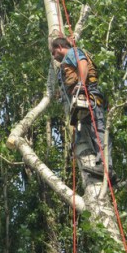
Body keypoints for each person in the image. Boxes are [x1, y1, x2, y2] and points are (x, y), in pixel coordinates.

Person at [50, 37, 116, 183]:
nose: (54, 57)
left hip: (89, 97)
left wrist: (80, 84)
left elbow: (83, 64)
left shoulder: (73, 52)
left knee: (98, 131)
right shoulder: (66, 62)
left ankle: (106, 167)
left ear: (60, 47)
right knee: (87, 133)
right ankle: (104, 168)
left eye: (54, 52)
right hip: (81, 103)